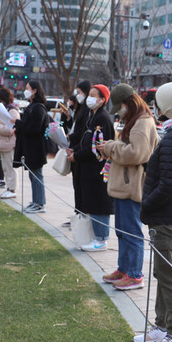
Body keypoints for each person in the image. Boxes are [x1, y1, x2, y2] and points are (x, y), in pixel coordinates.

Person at [133, 82, 172, 342]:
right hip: (167, 216)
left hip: (167, 217)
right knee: (161, 272)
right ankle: (161, 324)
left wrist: (145, 206)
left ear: (165, 107)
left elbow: (168, 186)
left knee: (168, 275)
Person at [96, 84, 157, 289]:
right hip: (124, 184)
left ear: (127, 103)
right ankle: (124, 268)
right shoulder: (136, 120)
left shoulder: (142, 122)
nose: (119, 112)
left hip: (132, 185)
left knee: (131, 231)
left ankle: (134, 273)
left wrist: (111, 146)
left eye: (119, 107)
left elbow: (136, 153)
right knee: (122, 230)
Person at [69, 83, 114, 243]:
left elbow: (95, 147)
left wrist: (77, 155)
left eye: (94, 96)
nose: (89, 98)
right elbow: (84, 139)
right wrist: (73, 149)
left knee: (98, 203)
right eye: (90, 94)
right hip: (87, 169)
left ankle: (101, 238)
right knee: (91, 202)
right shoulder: (92, 116)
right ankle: (95, 237)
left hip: (97, 169)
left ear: (102, 100)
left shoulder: (102, 118)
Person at [13, 80, 53, 212]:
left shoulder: (38, 107)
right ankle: (36, 201)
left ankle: (40, 203)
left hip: (36, 147)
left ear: (34, 90)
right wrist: (18, 126)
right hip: (30, 147)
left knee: (37, 175)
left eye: (28, 88)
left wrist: (18, 123)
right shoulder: (32, 106)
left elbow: (34, 128)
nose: (26, 90)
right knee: (32, 175)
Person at [64, 80, 93, 227]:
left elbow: (82, 132)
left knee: (81, 187)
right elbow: (75, 128)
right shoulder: (80, 109)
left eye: (80, 92)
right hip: (75, 148)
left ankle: (81, 214)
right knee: (77, 186)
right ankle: (78, 213)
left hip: (80, 151)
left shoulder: (88, 110)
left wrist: (73, 139)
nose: (78, 95)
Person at [0, 87, 20, 199]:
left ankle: (12, 189)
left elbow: (11, 129)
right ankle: (8, 188)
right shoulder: (5, 110)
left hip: (9, 143)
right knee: (5, 168)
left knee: (10, 167)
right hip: (3, 143)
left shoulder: (12, 110)